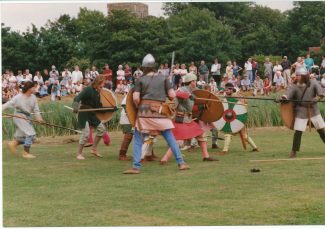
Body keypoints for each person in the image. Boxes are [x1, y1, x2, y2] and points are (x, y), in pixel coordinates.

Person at [123, 53, 189, 174]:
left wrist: (139, 107)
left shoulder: (140, 80)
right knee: (170, 138)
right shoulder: (164, 78)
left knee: (138, 139)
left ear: (144, 68)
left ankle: (136, 167)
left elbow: (136, 98)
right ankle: (181, 163)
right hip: (160, 112)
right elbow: (172, 95)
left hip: (144, 113)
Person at [160, 73, 217, 163]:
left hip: (188, 119)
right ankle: (165, 158)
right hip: (180, 119)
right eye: (194, 81)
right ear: (191, 82)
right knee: (179, 141)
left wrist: (202, 106)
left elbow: (191, 108)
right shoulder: (182, 89)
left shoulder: (192, 91)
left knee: (201, 135)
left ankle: (206, 156)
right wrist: (188, 95)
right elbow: (175, 94)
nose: (196, 83)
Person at [277, 67, 325, 158]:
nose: (297, 76)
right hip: (301, 110)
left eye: (299, 75)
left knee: (321, 130)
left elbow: (321, 94)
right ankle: (294, 151)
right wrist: (281, 98)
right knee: (298, 132)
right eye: (297, 75)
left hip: (313, 109)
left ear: (304, 76)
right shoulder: (294, 86)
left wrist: (316, 99)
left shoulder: (313, 83)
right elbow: (287, 95)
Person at [2, 81, 44, 159]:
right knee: (30, 134)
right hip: (19, 116)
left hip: (27, 117)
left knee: (26, 137)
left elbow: (36, 109)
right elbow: (8, 104)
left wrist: (39, 119)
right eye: (34, 87)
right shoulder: (18, 97)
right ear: (29, 88)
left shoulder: (33, 97)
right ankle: (25, 153)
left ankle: (13, 143)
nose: (35, 89)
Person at [72, 75, 109, 160]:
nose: (102, 87)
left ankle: (94, 149)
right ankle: (79, 153)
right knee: (86, 134)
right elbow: (77, 98)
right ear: (97, 83)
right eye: (102, 84)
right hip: (84, 113)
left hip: (92, 114)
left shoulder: (97, 93)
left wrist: (111, 109)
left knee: (102, 130)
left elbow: (98, 108)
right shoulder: (88, 89)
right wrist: (75, 106)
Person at [217, 83, 259, 155]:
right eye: (226, 89)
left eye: (228, 89)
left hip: (238, 118)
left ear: (231, 89)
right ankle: (255, 147)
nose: (226, 91)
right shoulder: (227, 97)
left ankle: (225, 150)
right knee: (232, 133)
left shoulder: (236, 96)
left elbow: (243, 106)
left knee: (240, 134)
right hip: (232, 118)